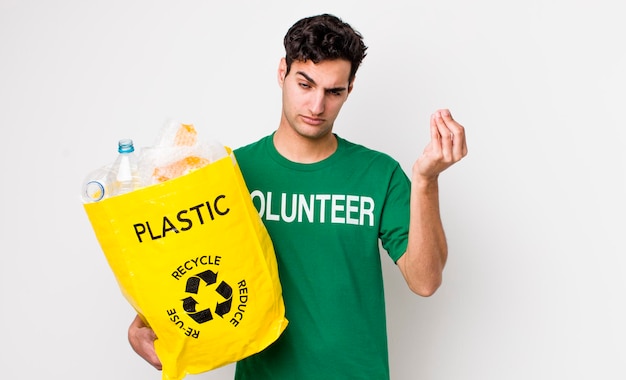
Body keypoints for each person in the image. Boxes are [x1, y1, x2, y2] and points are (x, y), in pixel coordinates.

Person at [128, 13, 467, 379]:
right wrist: (142, 322)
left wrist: (426, 181)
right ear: (282, 74)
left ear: (349, 90)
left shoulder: (378, 173)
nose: (317, 106)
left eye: (333, 91)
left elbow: (425, 281)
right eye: (305, 85)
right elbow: (191, 263)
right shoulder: (232, 172)